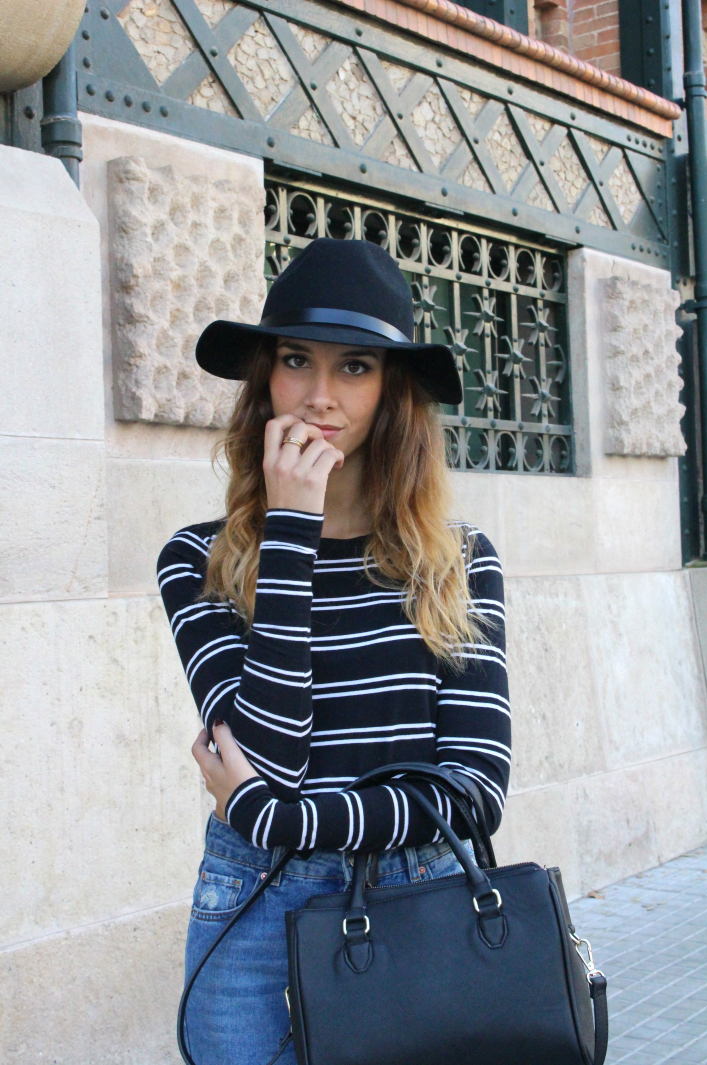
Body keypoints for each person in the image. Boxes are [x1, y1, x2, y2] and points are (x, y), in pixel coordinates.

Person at [158, 238, 510, 1065]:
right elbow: (271, 760)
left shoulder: (456, 562)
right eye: (295, 360)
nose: (320, 395)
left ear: (393, 390)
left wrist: (282, 819)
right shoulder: (199, 559)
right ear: (266, 380)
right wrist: (291, 527)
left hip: (420, 896)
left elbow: (474, 790)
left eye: (354, 366)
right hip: (256, 901)